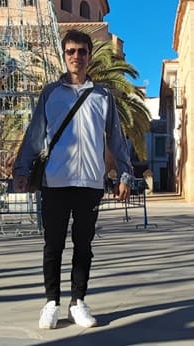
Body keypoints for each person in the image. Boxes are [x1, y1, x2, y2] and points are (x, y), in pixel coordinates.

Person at [13, 30, 133, 330]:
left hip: (90, 184)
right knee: (52, 246)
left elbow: (116, 139)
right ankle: (51, 302)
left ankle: (78, 302)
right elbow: (34, 134)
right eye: (70, 51)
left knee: (83, 246)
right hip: (55, 183)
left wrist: (124, 174)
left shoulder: (102, 95)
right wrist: (22, 170)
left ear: (89, 56)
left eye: (81, 51)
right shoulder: (50, 94)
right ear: (64, 55)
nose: (76, 56)